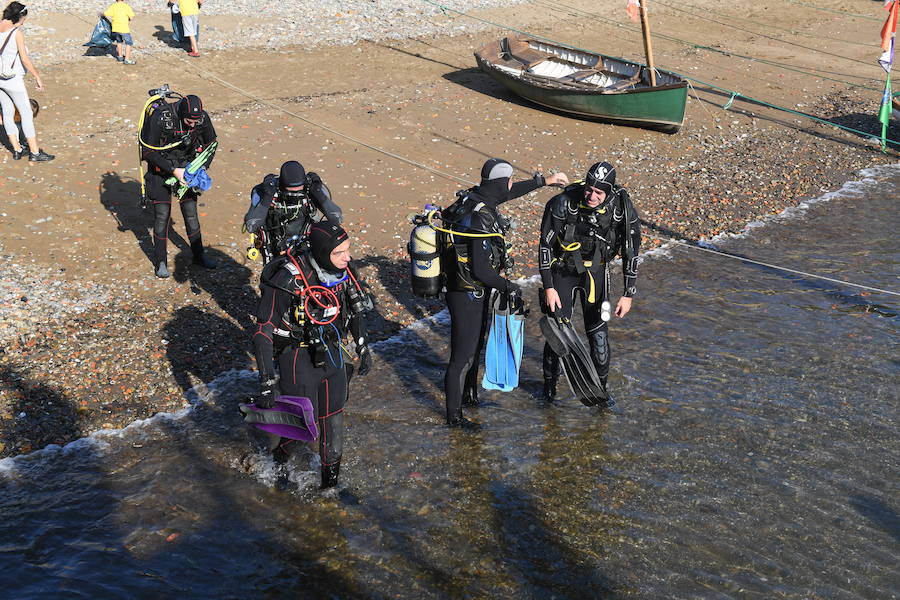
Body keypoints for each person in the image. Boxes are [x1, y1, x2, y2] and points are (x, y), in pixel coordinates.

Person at [442, 158, 568, 428]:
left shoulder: (476, 196)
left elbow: (508, 192)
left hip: (465, 287)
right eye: (509, 180)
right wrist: (511, 287)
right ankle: (454, 418)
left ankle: (470, 397)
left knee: (474, 347)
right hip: (466, 291)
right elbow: (481, 271)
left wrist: (543, 181)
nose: (510, 186)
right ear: (499, 183)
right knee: (462, 357)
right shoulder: (480, 216)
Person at [251, 222, 374, 488]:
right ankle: (278, 462)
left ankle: (330, 489)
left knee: (334, 423)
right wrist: (267, 381)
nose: (348, 257)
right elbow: (262, 331)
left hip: (332, 354)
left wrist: (363, 345)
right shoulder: (288, 279)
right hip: (298, 357)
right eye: (339, 252)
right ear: (321, 252)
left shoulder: (344, 271)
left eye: (348, 250)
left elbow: (356, 309)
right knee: (302, 429)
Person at [537, 161, 640, 405]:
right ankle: (549, 391)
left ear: (609, 191)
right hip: (563, 271)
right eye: (589, 190)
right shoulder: (562, 204)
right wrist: (549, 287)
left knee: (599, 336)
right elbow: (545, 246)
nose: (592, 196)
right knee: (557, 332)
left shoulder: (621, 209)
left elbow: (631, 252)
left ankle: (600, 392)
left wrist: (628, 293)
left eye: (599, 192)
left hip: (597, 274)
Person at [140, 92, 217, 277]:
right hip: (161, 169)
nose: (194, 124)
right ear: (182, 114)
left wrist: (200, 168)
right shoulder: (162, 118)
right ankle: (160, 263)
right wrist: (173, 170)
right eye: (190, 120)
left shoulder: (201, 118)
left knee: (191, 214)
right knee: (162, 216)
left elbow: (212, 143)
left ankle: (199, 256)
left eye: (197, 121)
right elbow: (148, 152)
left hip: (187, 169)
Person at [244, 160, 343, 266]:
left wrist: (318, 193)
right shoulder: (263, 191)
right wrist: (267, 197)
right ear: (282, 185)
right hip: (275, 248)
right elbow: (251, 226)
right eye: (290, 190)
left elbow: (337, 219)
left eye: (298, 190)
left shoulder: (313, 189)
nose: (295, 194)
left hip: (309, 243)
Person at [0, 2, 53, 161]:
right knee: (27, 114)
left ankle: (17, 149)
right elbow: (25, 58)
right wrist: (37, 76)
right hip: (13, 80)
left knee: (8, 114)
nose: (23, 22)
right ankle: (35, 153)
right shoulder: (17, 33)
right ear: (19, 16)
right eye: (23, 19)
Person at [103, 0, 135, 64]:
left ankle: (120, 57)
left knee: (119, 42)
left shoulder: (113, 6)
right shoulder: (126, 6)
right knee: (129, 43)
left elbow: (105, 14)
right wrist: (128, 19)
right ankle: (127, 59)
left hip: (115, 28)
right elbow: (131, 17)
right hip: (124, 29)